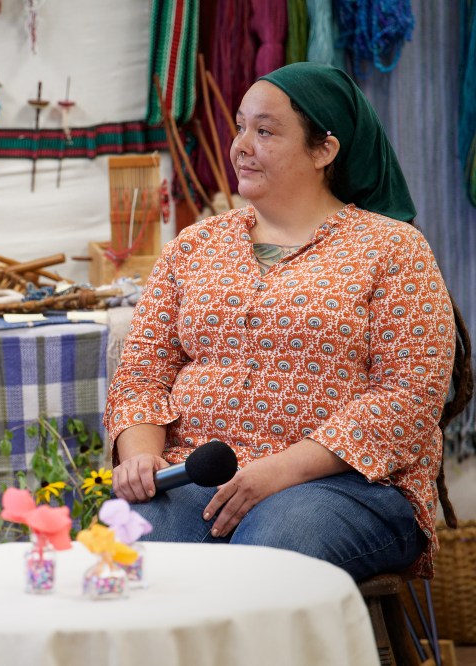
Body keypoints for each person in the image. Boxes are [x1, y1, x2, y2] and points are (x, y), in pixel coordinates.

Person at [105, 61, 472, 582]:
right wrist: (141, 457)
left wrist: (278, 471)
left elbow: (410, 395)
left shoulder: (393, 248)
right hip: (197, 477)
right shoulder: (194, 245)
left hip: (347, 487)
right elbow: (142, 372)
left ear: (324, 150)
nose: (241, 146)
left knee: (270, 555)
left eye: (265, 131)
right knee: (129, 551)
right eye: (240, 127)